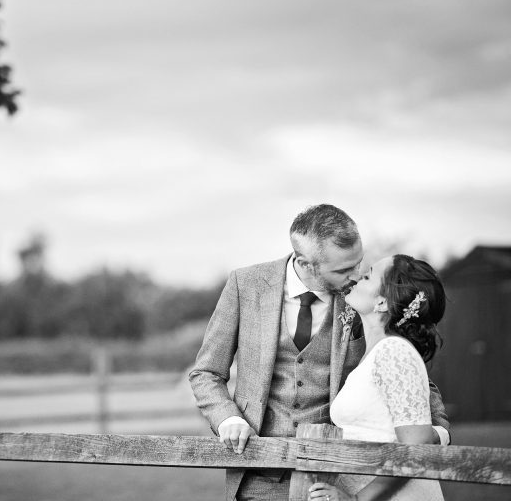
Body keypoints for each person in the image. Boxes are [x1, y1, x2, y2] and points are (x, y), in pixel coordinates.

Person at [188, 204, 449, 501]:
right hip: (259, 473)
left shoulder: (361, 299)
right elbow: (206, 372)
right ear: (306, 263)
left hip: (330, 478)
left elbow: (408, 374)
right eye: (342, 270)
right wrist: (228, 419)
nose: (355, 275)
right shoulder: (245, 285)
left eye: (358, 264)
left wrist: (435, 433)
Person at [308, 254, 446, 500]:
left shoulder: (395, 351)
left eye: (369, 275)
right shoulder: (374, 354)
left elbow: (416, 446)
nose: (358, 277)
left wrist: (356, 499)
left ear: (382, 302)